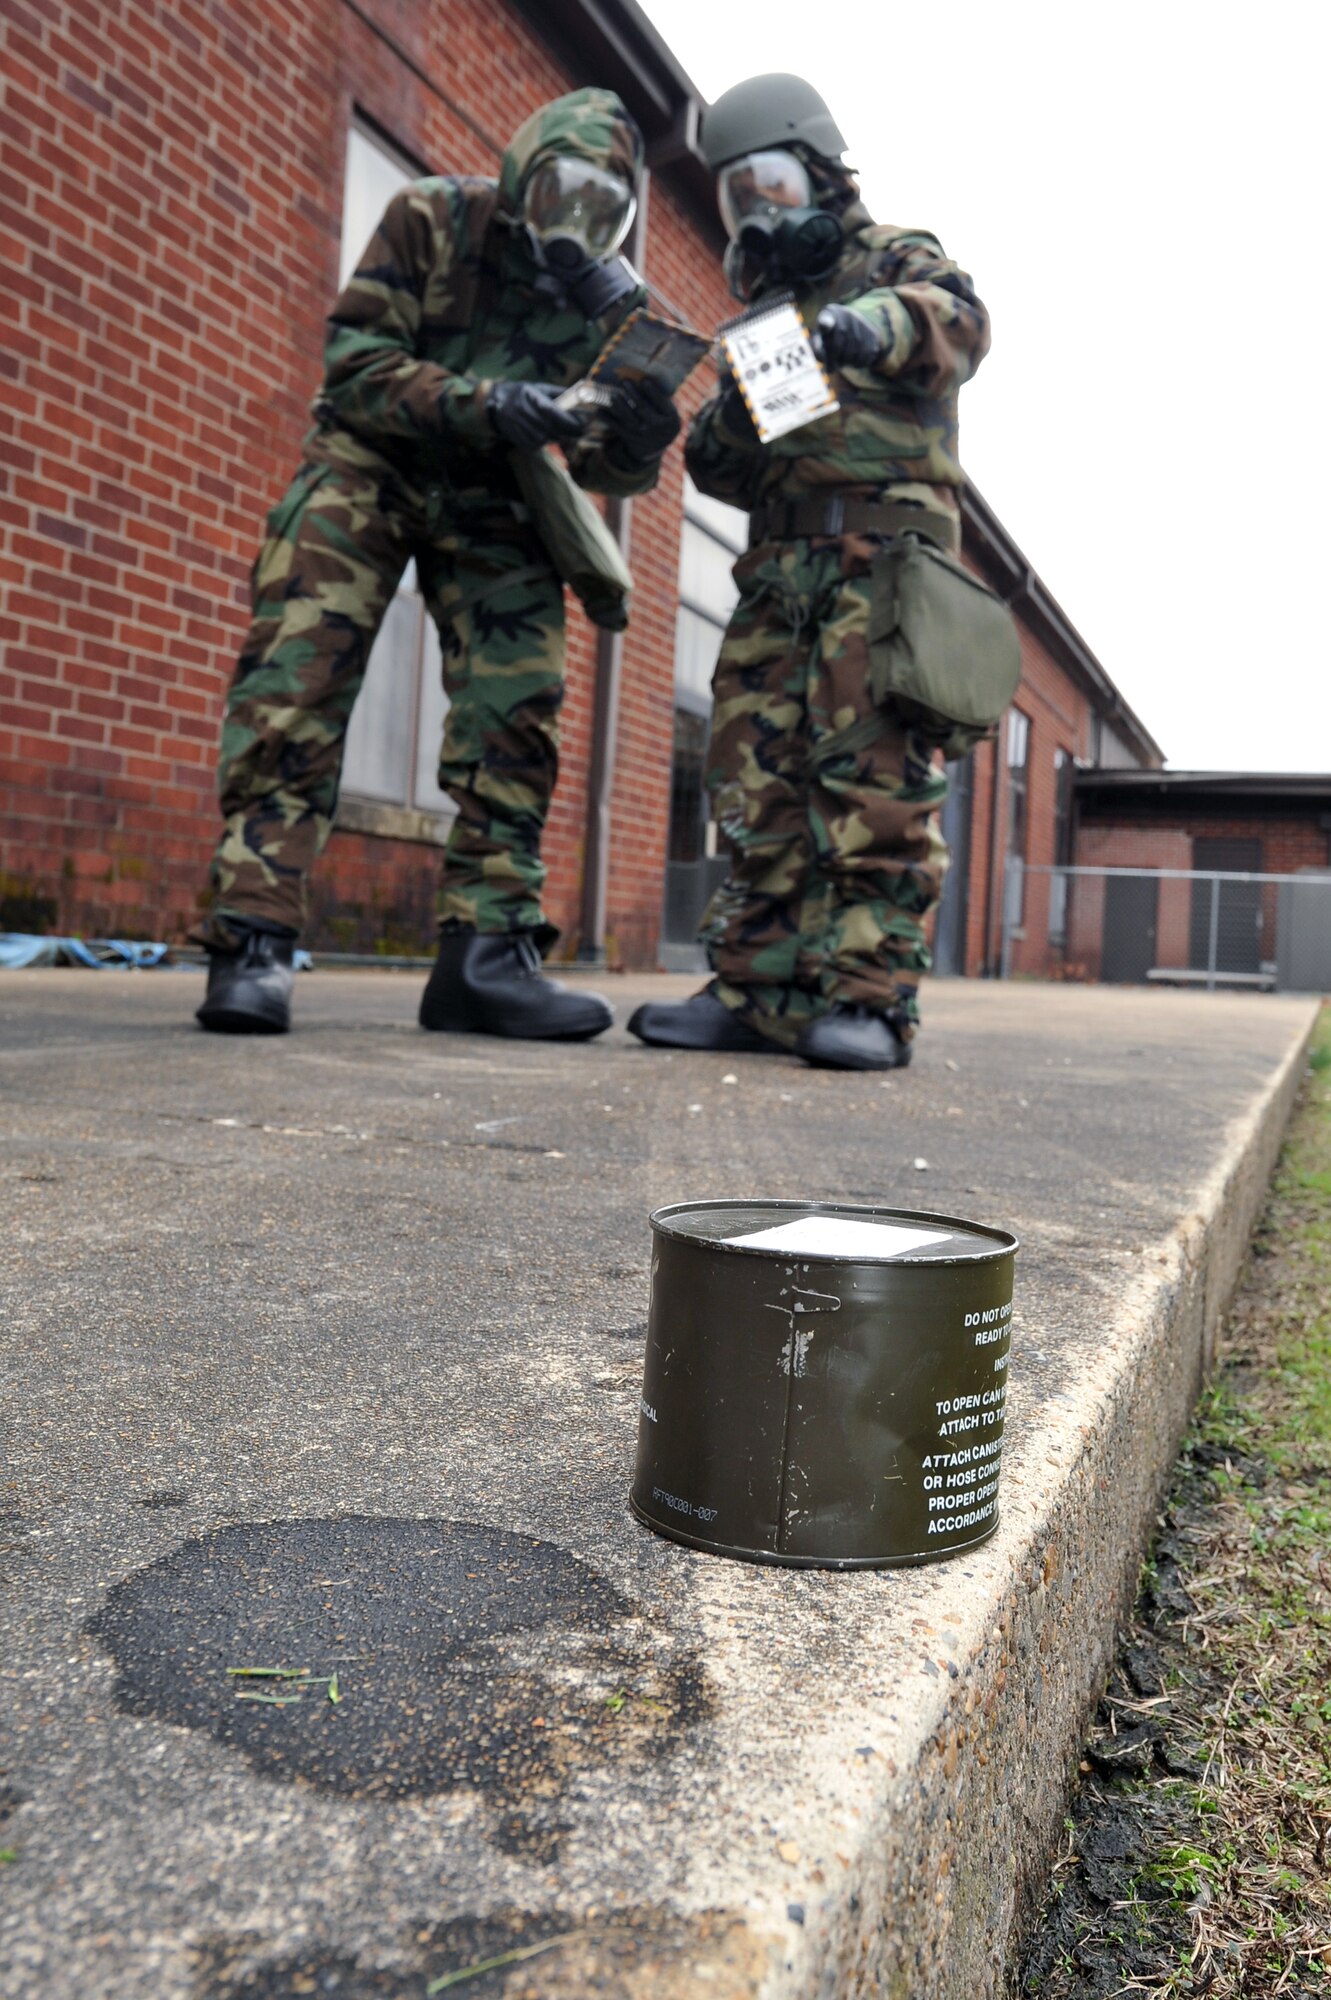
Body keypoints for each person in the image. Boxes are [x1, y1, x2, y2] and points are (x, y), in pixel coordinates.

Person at [194, 87, 680, 1039]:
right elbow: (355, 363)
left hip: (497, 485)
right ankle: (251, 942)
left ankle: (483, 958)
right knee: (295, 680)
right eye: (561, 192)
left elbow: (606, 469)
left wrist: (640, 437)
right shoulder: (432, 218)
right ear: (524, 174)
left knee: (519, 698)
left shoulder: (609, 305)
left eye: (602, 205)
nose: (575, 221)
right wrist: (488, 401)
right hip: (370, 460)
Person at [628, 74, 991, 1071]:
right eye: (735, 196)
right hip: (777, 571)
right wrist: (738, 400)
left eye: (767, 186)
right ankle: (756, 990)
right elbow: (717, 463)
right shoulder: (766, 313)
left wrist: (869, 325)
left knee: (872, 781)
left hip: (877, 568)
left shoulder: (892, 258)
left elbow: (958, 324)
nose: (754, 212)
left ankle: (871, 1000)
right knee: (754, 782)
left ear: (818, 168)